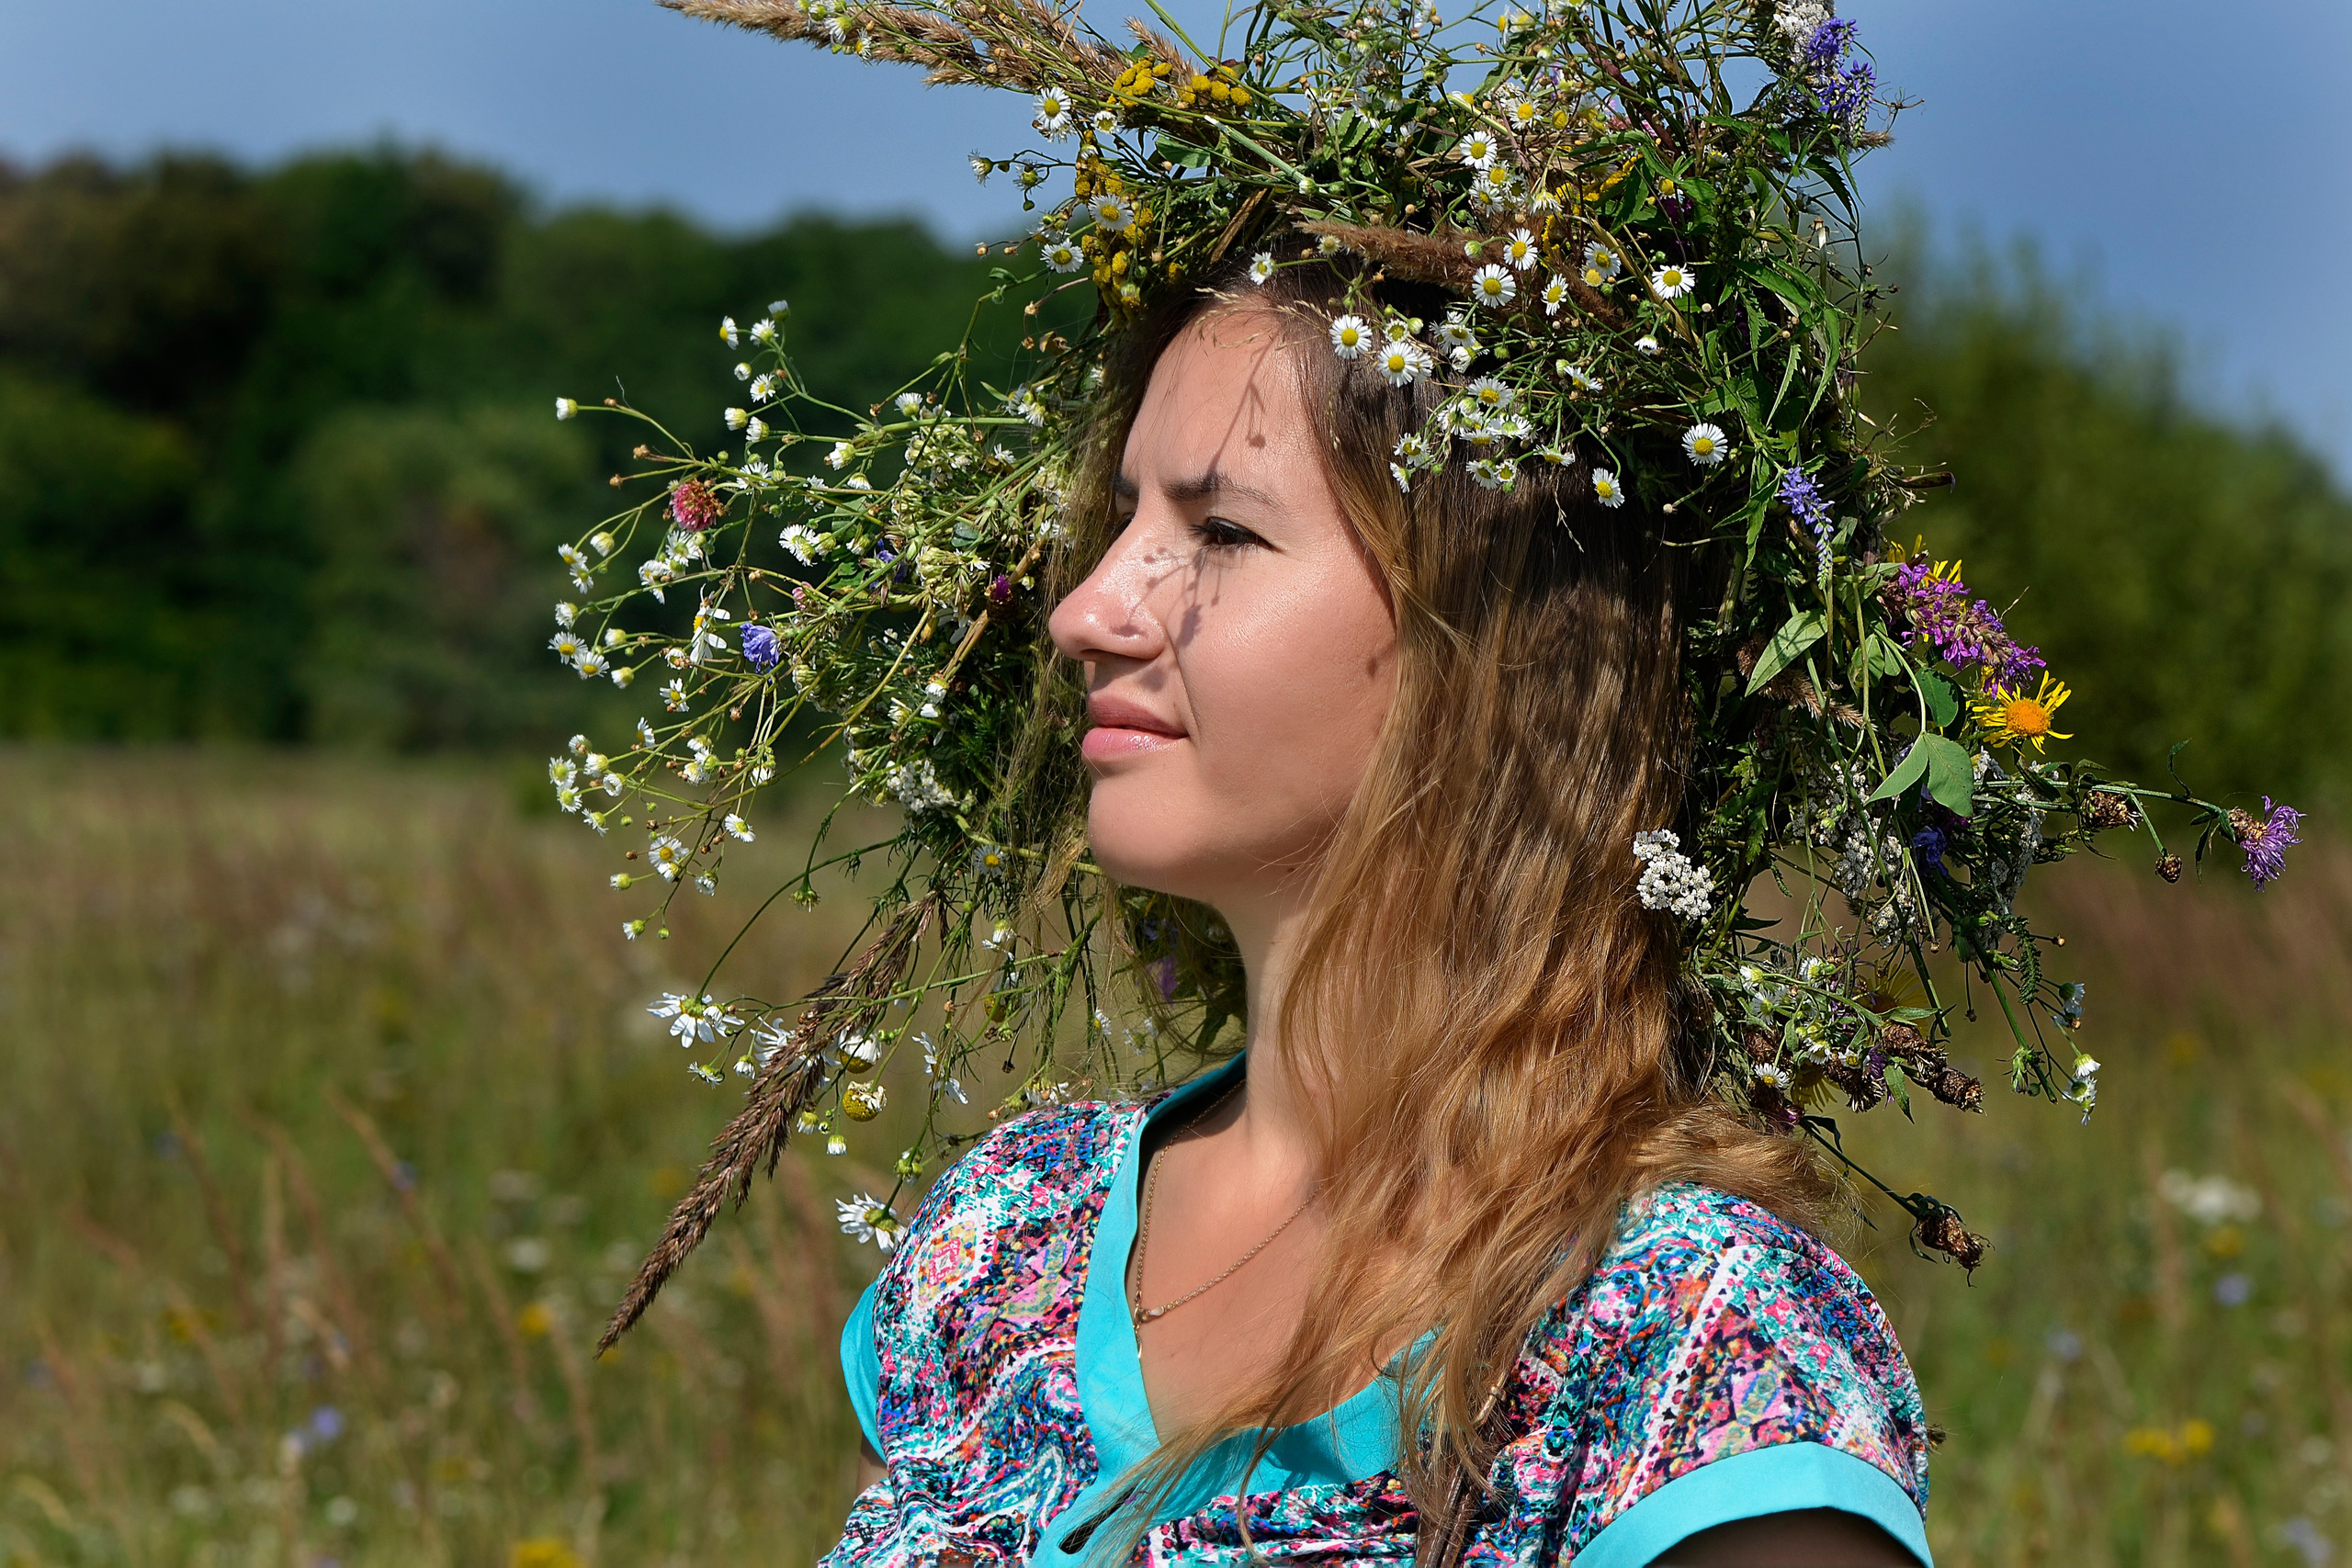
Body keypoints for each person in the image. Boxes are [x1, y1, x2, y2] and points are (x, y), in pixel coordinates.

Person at [827, 256, 1932, 1565]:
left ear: (1493, 630)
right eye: (1125, 519)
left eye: (1221, 532)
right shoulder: (1002, 1242)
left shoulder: (1689, 1349)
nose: (1083, 611)